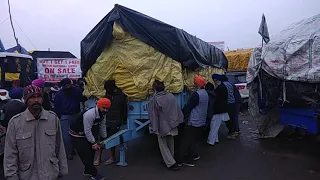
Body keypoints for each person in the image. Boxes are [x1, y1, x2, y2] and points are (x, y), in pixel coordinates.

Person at [4, 85, 68, 180]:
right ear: (26, 99)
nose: (36, 100)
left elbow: (59, 146)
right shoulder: (15, 122)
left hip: (50, 174)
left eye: (39, 97)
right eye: (32, 97)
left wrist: (62, 170)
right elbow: (10, 153)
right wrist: (11, 176)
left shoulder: (52, 119)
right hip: (27, 175)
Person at [69, 98, 111, 180]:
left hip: (86, 133)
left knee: (91, 153)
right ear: (98, 106)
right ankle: (95, 174)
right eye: (103, 108)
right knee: (86, 155)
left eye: (107, 109)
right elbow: (87, 130)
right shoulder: (90, 114)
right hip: (77, 134)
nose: (105, 110)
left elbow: (102, 126)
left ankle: (87, 171)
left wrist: (105, 139)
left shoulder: (103, 115)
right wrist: (94, 143)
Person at [148, 80, 184, 171]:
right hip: (172, 123)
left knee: (163, 145)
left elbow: (154, 115)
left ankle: (171, 163)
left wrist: (154, 127)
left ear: (155, 89)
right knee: (170, 142)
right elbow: (177, 109)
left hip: (162, 125)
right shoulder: (171, 96)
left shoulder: (154, 100)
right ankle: (169, 159)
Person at [94, 80, 128, 166]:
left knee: (111, 139)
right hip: (106, 119)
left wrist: (124, 119)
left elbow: (124, 109)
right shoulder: (107, 95)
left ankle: (112, 157)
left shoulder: (121, 96)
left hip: (116, 120)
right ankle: (98, 157)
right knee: (101, 138)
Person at [178, 75, 209, 167]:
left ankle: (181, 161)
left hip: (194, 122)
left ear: (197, 85)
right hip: (201, 121)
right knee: (193, 140)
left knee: (185, 142)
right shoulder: (205, 93)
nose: (193, 85)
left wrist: (180, 116)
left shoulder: (196, 95)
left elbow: (189, 107)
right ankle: (193, 156)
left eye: (195, 83)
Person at [54, 78, 87, 160]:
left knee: (66, 135)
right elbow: (83, 98)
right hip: (75, 114)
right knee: (75, 133)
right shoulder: (75, 91)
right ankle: (74, 150)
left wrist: (58, 115)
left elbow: (56, 105)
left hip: (65, 116)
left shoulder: (59, 94)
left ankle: (69, 152)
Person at [208, 74, 230, 145]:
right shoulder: (222, 87)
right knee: (215, 125)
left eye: (215, 80)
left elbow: (216, 97)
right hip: (221, 109)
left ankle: (211, 141)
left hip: (218, 110)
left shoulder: (220, 88)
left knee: (214, 125)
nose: (215, 82)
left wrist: (208, 92)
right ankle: (215, 139)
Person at [220, 75, 237, 139]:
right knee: (231, 118)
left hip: (227, 104)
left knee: (227, 119)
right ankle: (233, 131)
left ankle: (231, 132)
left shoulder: (223, 85)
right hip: (232, 103)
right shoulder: (230, 84)